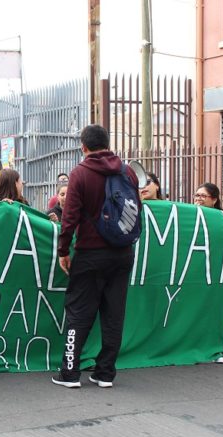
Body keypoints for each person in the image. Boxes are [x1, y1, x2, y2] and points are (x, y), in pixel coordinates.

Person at [52, 124, 140, 389]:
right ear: (108, 143)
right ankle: (105, 373)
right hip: (122, 252)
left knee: (78, 312)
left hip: (90, 254)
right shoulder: (128, 172)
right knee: (114, 315)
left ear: (83, 146)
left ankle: (69, 372)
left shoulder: (80, 174)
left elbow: (69, 218)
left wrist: (64, 250)